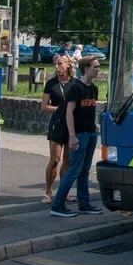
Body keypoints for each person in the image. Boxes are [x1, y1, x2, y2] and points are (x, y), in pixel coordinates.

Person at [51, 56, 103, 217]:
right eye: (95, 66)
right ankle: (58, 204)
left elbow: (90, 110)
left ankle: (84, 204)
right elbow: (69, 112)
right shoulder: (76, 88)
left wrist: (94, 126)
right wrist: (72, 136)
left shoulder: (93, 88)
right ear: (86, 68)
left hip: (91, 133)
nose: (98, 69)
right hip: (79, 134)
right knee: (74, 169)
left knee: (85, 171)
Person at [40, 55, 73, 205]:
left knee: (67, 159)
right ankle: (48, 192)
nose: (57, 67)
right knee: (55, 158)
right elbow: (44, 107)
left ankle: (64, 191)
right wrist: (60, 109)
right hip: (57, 124)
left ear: (68, 65)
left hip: (71, 124)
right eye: (55, 64)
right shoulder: (51, 84)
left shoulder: (75, 83)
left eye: (60, 64)